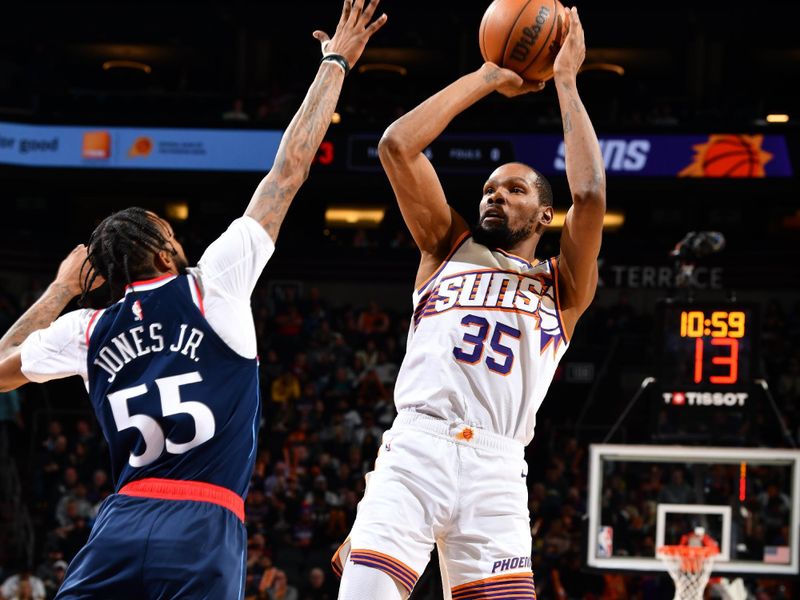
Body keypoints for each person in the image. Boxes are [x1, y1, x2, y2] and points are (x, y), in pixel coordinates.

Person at [0, 1, 387, 597]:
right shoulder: (213, 285)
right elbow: (288, 171)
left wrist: (58, 290)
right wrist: (334, 63)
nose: (180, 240)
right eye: (170, 232)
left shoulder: (85, 328)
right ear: (160, 254)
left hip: (121, 523)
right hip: (206, 521)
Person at [332, 8, 605, 599]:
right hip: (416, 450)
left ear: (542, 216)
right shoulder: (445, 245)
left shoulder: (563, 287)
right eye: (487, 188)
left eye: (514, 189)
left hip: (498, 470)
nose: (494, 196)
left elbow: (588, 192)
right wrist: (487, 76)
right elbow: (398, 145)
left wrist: (565, 81)